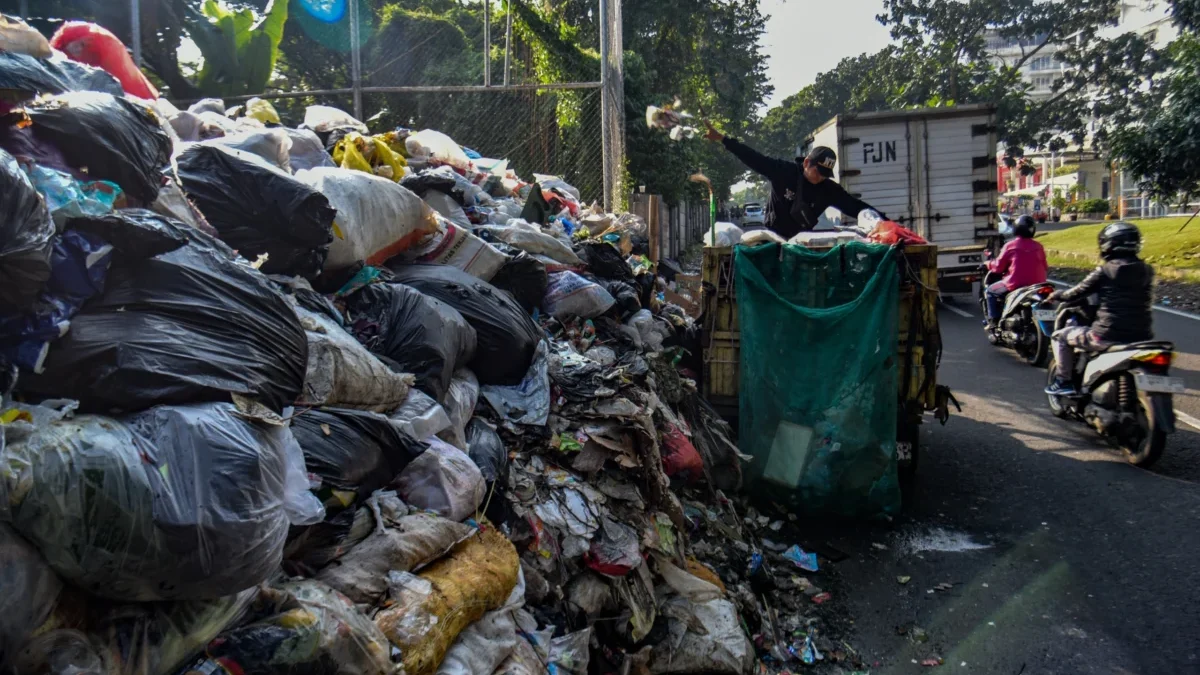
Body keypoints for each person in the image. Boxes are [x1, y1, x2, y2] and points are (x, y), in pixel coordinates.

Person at [704, 122, 883, 239]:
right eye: (817, 171)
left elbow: (855, 206)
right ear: (806, 162)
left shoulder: (828, 189)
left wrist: (885, 222)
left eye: (825, 174)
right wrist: (723, 139)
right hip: (772, 239)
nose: (820, 177)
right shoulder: (784, 172)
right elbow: (753, 158)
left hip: (802, 241)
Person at [1044, 222, 1154, 395]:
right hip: (1143, 336)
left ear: (1107, 244)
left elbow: (1076, 293)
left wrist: (1057, 295)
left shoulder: (1104, 271)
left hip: (1106, 335)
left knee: (1060, 337)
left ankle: (1064, 381)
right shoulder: (1147, 270)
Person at [985, 215, 1048, 328]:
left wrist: (988, 264)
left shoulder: (1010, 246)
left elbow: (998, 267)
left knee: (990, 291)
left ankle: (993, 322)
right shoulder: (1039, 246)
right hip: (1038, 285)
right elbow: (1045, 266)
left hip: (1015, 284)